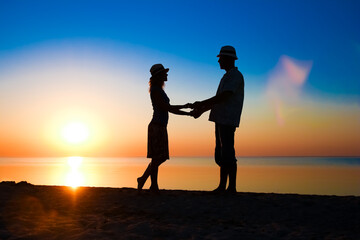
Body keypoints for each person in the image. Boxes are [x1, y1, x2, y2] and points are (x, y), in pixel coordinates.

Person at [191, 46, 244, 193]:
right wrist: (201, 109)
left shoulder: (235, 76)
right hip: (221, 119)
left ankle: (230, 187)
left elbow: (224, 97)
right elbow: (220, 100)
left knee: (227, 152)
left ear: (227, 59)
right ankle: (223, 186)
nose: (219, 61)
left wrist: (201, 104)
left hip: (227, 120)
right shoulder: (228, 76)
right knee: (221, 154)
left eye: (220, 58)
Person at [137, 64, 192, 193]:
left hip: (160, 126)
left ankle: (146, 181)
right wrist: (187, 111)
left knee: (158, 157)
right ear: (159, 75)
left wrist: (185, 107)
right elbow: (168, 108)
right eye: (164, 73)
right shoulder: (156, 90)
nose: (167, 75)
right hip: (157, 126)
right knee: (158, 157)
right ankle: (152, 184)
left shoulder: (159, 90)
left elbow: (169, 107)